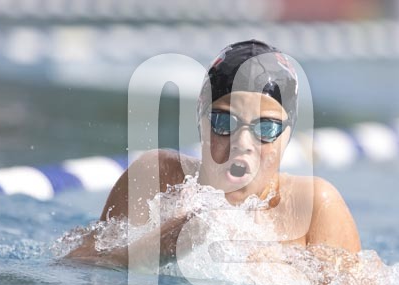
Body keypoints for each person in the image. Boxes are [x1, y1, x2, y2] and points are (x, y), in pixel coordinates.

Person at [67, 39, 361, 269]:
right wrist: (166, 242)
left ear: (288, 134)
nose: (242, 143)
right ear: (200, 121)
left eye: (266, 127)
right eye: (224, 122)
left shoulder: (314, 206)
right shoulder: (157, 178)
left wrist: (272, 270)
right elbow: (77, 265)